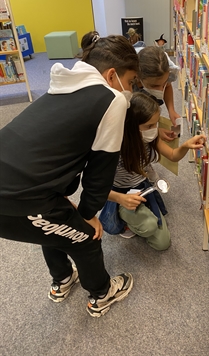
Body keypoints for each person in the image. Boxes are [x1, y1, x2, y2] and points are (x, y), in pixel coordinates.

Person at [0, 31, 139, 318]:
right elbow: (100, 172)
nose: (131, 91)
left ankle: (63, 279)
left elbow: (50, 146)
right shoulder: (112, 100)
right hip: (16, 198)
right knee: (86, 237)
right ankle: (102, 294)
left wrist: (64, 200)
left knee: (54, 227)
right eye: (131, 82)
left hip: (16, 182)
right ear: (112, 75)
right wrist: (88, 214)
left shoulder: (61, 87)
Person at [100, 92, 206, 250]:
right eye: (149, 126)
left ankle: (137, 216)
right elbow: (96, 188)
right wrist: (121, 199)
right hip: (120, 193)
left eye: (156, 124)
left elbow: (172, 155)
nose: (155, 129)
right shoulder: (114, 148)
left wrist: (185, 146)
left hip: (142, 187)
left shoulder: (150, 137)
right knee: (149, 226)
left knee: (163, 243)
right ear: (130, 125)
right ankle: (124, 219)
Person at [134, 46, 181, 142]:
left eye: (163, 83)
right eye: (155, 86)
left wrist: (171, 110)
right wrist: (152, 131)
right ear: (138, 77)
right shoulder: (128, 87)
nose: (160, 90)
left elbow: (167, 86)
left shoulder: (166, 70)